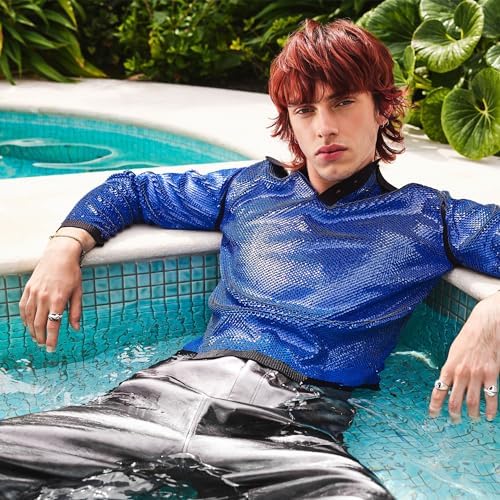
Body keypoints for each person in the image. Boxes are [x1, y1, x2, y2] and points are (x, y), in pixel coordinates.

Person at [1, 18, 499, 499]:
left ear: (382, 107)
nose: (325, 127)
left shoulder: (426, 217)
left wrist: (491, 312)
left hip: (289, 428)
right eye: (305, 110)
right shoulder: (251, 189)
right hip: (162, 398)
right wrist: (66, 245)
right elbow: (131, 189)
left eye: (343, 102)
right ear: (291, 123)